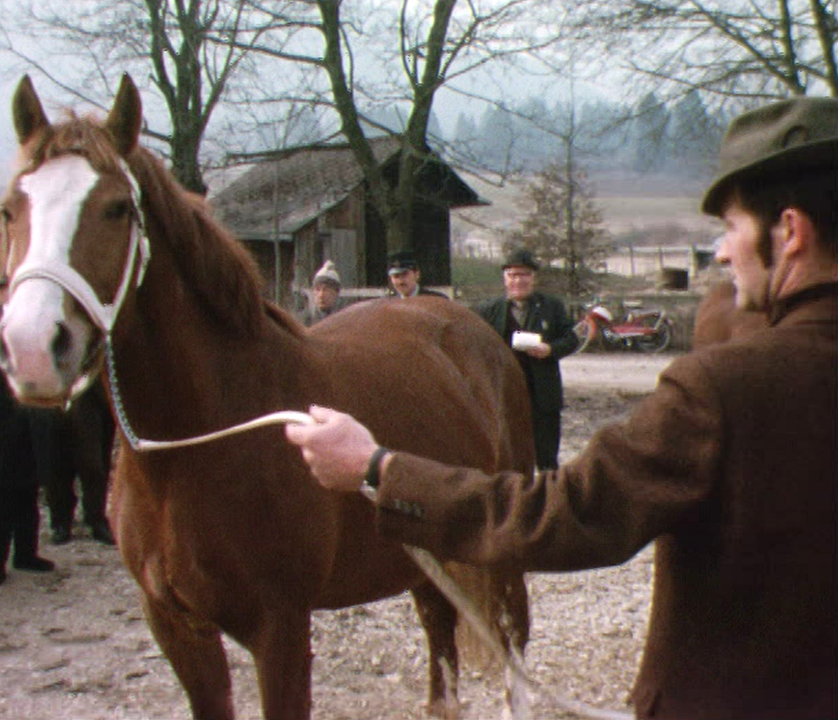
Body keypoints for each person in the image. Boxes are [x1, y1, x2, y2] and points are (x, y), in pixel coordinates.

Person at [286, 97, 838, 719]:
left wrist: (376, 468)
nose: (719, 253)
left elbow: (563, 515)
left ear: (790, 232)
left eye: (731, 228)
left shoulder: (722, 389)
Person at [0, 277, 55, 585]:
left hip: (34, 422)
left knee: (30, 490)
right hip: (2, 427)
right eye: (11, 288)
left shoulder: (39, 326)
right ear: (2, 291)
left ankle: (26, 554)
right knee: (3, 494)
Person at [476, 248, 579, 469]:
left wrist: (550, 349)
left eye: (524, 275)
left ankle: (549, 498)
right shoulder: (489, 311)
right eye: (512, 275)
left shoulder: (552, 307)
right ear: (504, 278)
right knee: (509, 455)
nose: (518, 280)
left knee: (546, 457)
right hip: (504, 393)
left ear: (533, 278)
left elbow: (571, 339)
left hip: (543, 393)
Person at [38, 379, 116, 546]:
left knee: (94, 464)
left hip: (93, 396)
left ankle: (96, 518)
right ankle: (61, 521)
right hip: (56, 395)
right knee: (57, 464)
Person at [300, 260, 349, 327]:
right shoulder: (303, 320)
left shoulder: (345, 319)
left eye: (326, 290)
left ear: (336, 292)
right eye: (318, 289)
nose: (321, 295)